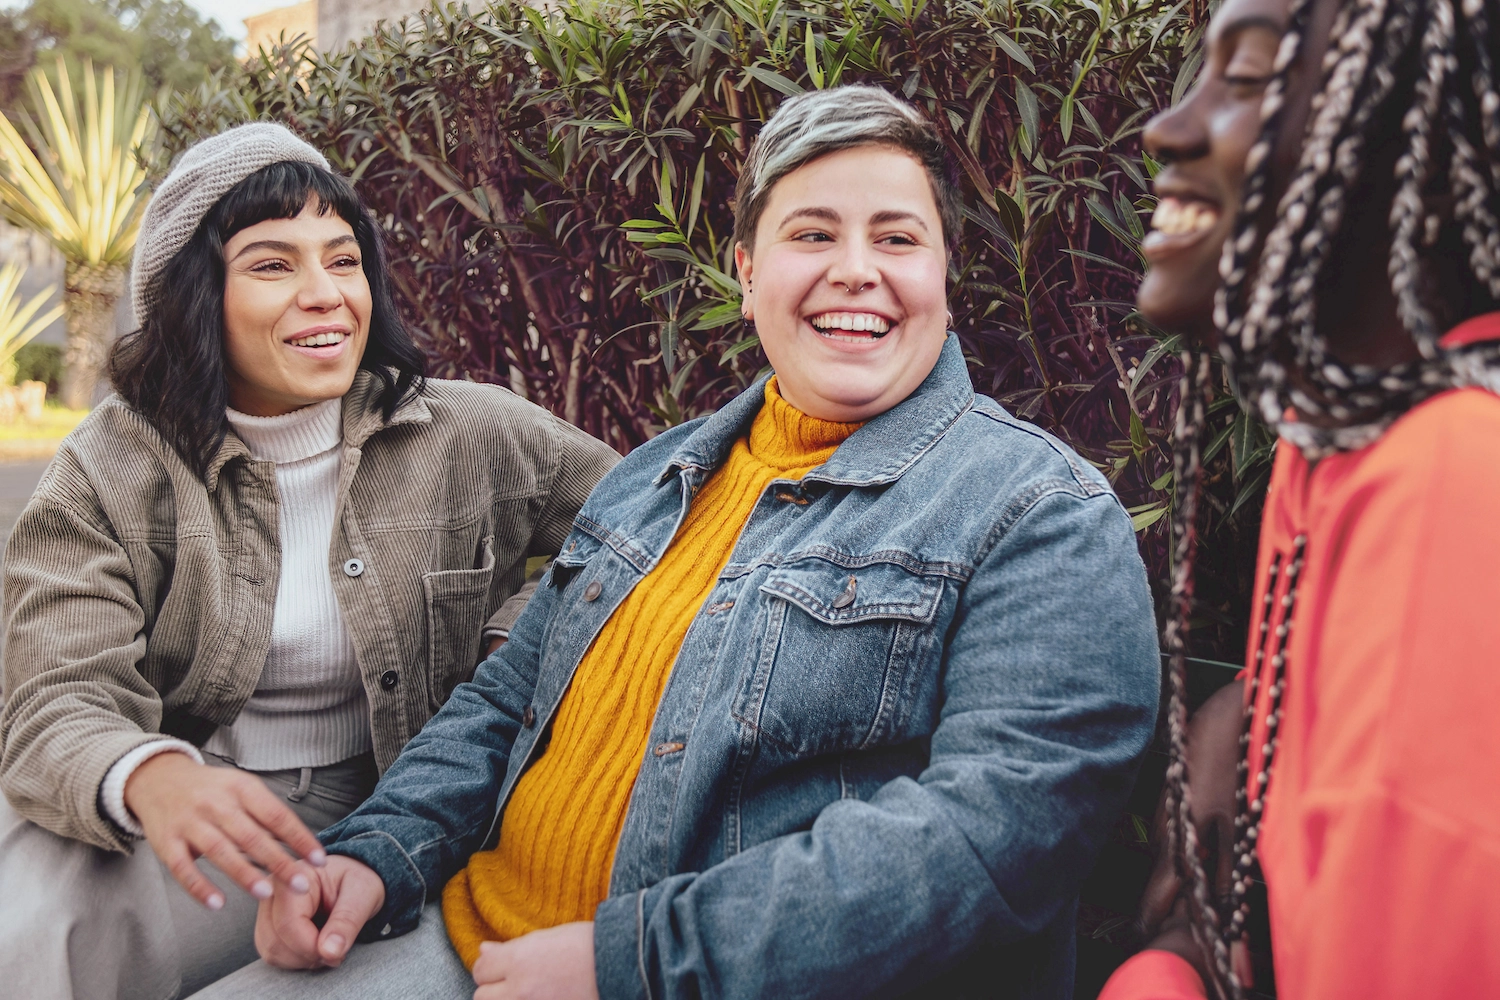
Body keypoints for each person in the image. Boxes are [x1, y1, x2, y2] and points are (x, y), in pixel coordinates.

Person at [189, 85, 1161, 1000]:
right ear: (747, 273)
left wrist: (632, 960)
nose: (855, 269)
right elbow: (507, 701)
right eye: (812, 233)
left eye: (897, 238)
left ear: (943, 275)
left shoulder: (1038, 512)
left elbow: (992, 840)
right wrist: (375, 851)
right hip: (472, 935)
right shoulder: (658, 474)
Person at [0, 122, 619, 1000]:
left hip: (407, 812)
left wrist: (519, 635)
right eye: (272, 265)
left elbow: (650, 529)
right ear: (194, 297)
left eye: (343, 260)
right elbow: (54, 699)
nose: (325, 294)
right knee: (37, 894)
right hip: (211, 806)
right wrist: (154, 777)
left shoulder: (473, 431)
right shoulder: (110, 468)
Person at [1097, 0, 1500, 993]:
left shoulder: (1451, 477)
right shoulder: (1343, 442)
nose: (1167, 128)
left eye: (1247, 77)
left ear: (1425, 150)